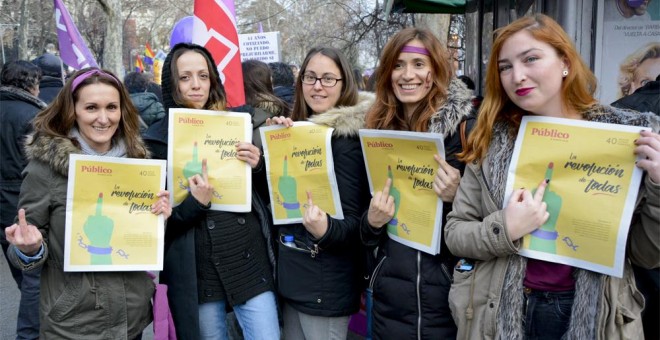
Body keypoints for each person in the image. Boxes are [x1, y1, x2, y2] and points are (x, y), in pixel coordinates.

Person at [444, 14, 660, 339]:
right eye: (505, 66)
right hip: (500, 312)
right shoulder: (490, 138)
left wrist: (658, 186)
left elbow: (646, 254)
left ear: (565, 63)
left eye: (531, 58)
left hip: (592, 317)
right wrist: (507, 228)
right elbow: (456, 233)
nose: (517, 76)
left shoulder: (622, 138)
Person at [5, 67, 172, 339]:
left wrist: (157, 218)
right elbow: (24, 251)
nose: (103, 118)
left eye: (112, 107)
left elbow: (137, 242)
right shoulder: (44, 170)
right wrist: (29, 248)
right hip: (74, 323)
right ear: (74, 111)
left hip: (132, 317)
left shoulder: (139, 165)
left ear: (122, 111)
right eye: (92, 107)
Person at [142, 42, 280, 340]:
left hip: (246, 262)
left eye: (203, 76)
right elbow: (155, 228)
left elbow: (273, 199)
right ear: (172, 84)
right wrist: (195, 204)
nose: (196, 85)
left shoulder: (240, 124)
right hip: (196, 274)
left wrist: (258, 165)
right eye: (185, 77)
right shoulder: (155, 141)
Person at [359, 28, 475, 339]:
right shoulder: (374, 132)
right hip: (389, 300)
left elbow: (492, 218)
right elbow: (361, 229)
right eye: (397, 65)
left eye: (418, 64)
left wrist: (458, 195)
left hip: (448, 299)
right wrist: (371, 222)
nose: (407, 75)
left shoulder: (467, 131)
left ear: (436, 70)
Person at [268, 46, 374, 340]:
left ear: (345, 84)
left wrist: (326, 229)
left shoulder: (349, 142)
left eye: (328, 79)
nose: (317, 86)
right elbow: (276, 204)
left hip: (326, 288)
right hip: (293, 280)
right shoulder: (295, 131)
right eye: (310, 77)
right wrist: (272, 148)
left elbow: (358, 225)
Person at [0, 60, 46, 340]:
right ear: (32, 84)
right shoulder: (33, 116)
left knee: (25, 277)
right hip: (21, 208)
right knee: (33, 280)